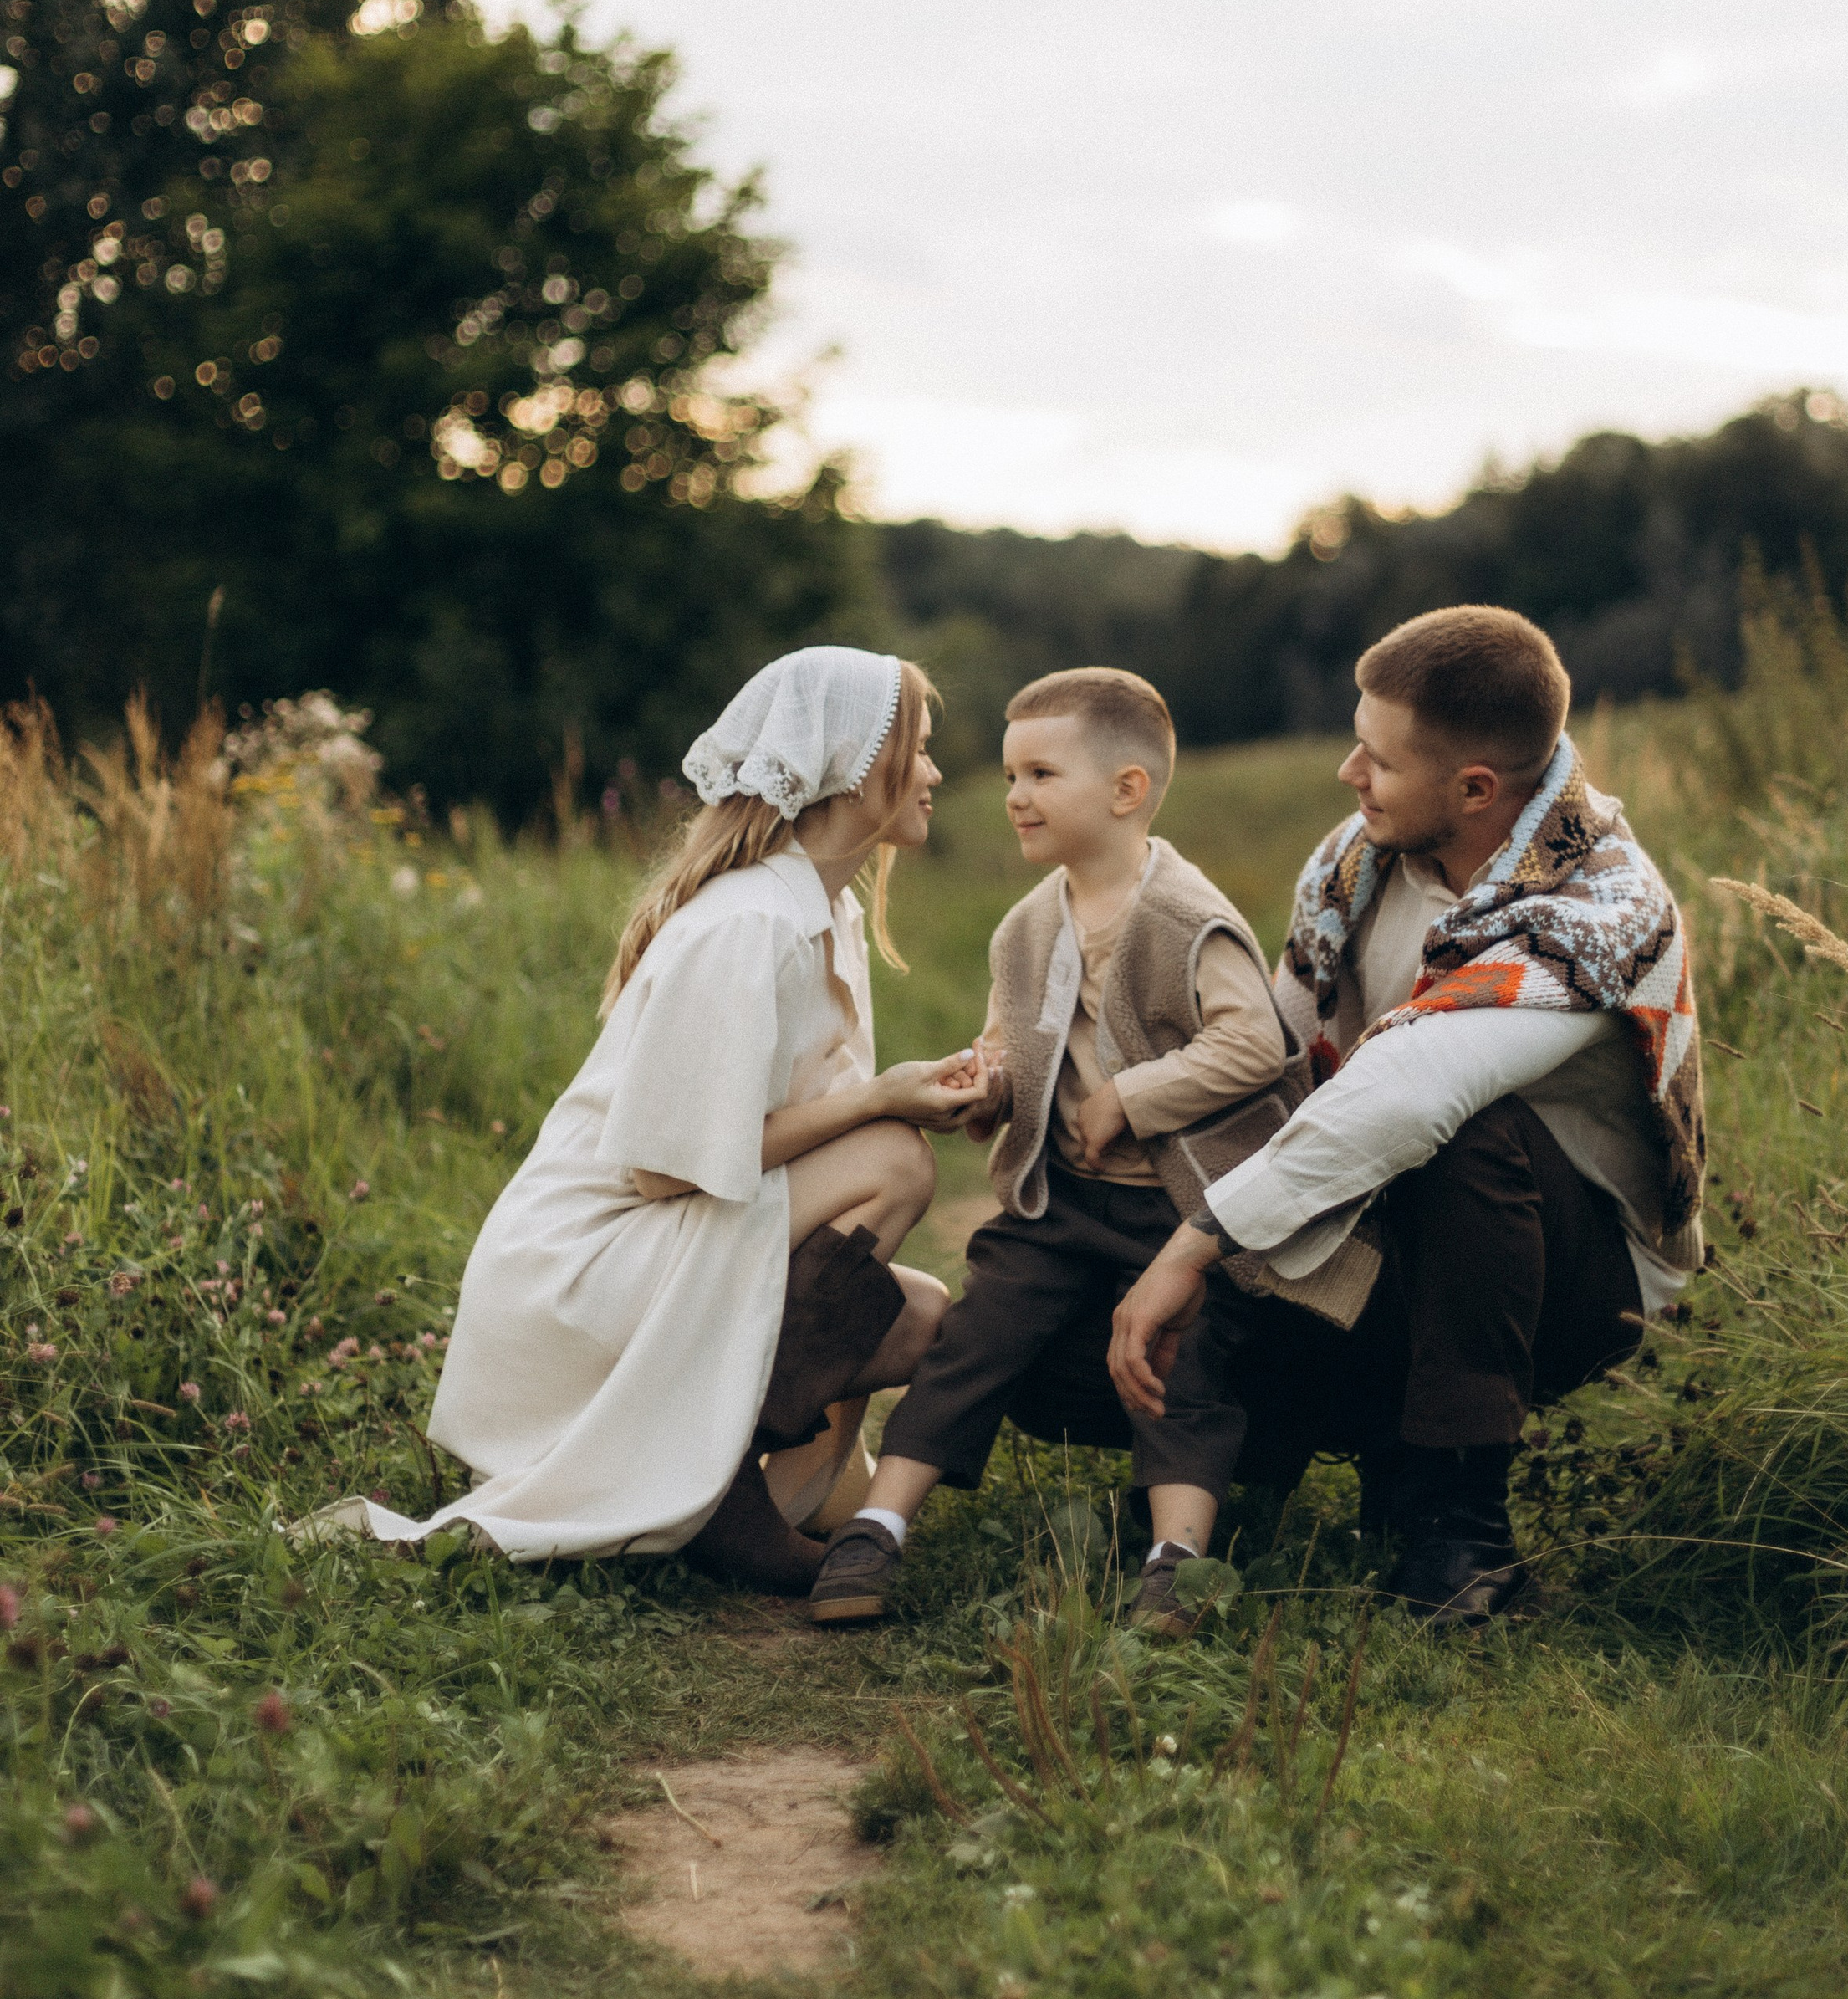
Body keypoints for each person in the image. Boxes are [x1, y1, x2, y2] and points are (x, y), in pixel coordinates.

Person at [314, 646, 984, 1579]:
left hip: (671, 1247)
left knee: (917, 1316)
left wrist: (933, 1092)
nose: (935, 772)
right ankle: (717, 1491)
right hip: (585, 1269)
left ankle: (757, 1469)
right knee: (896, 1162)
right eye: (917, 747)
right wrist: (882, 1100)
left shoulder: (821, 915)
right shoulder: (747, 922)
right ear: (858, 766)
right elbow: (663, 1171)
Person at [1108, 605, 1706, 1625]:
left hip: (1571, 1284)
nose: (1349, 772)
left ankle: (1458, 1525)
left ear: (1475, 788)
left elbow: (1410, 1091)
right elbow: (1291, 1057)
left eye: (1377, 758)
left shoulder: (1600, 911)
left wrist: (1193, 1249)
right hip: (1395, 1227)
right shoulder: (1359, 856)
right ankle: (1266, 1456)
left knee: (1468, 1132)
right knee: (1097, 1312)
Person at [804, 666, 1308, 1633]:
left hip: (1176, 1212)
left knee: (1180, 1359)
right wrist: (988, 1084)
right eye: (1008, 777)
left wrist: (1135, 1093)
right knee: (973, 1336)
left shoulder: (1184, 917)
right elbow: (1013, 1044)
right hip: (1060, 1204)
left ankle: (1176, 1561)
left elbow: (1254, 1044)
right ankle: (877, 1526)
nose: (1014, 798)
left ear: (1127, 791)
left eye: (1040, 774)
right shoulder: (1026, 928)